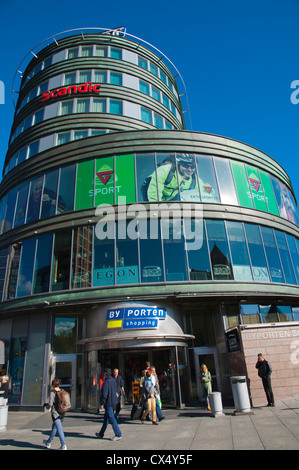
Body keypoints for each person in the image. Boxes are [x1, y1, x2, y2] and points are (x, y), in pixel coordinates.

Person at [96, 368, 122, 441]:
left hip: (108, 402)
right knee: (106, 419)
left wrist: (102, 403)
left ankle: (118, 434)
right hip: (113, 401)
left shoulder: (106, 382)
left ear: (105, 374)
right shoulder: (113, 381)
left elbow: (105, 394)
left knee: (111, 418)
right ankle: (101, 433)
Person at [43, 378, 67, 450]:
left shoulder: (53, 393)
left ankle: (63, 444)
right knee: (54, 428)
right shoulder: (62, 391)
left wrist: (46, 405)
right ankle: (48, 442)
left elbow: (50, 404)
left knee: (59, 429)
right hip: (62, 412)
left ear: (53, 385)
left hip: (55, 413)